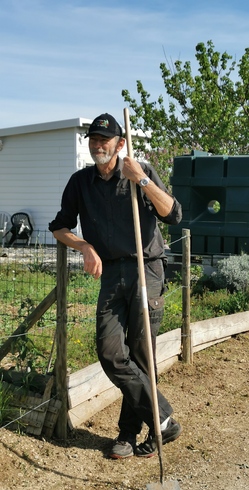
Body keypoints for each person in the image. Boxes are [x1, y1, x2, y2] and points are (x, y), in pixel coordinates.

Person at [49, 112, 183, 459]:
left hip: (146, 269)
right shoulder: (80, 182)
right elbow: (59, 227)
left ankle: (129, 434)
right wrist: (84, 246)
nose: (97, 146)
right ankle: (162, 419)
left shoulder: (139, 171)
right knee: (110, 352)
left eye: (104, 141)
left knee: (141, 355)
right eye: (93, 140)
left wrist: (141, 179)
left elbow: (173, 213)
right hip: (111, 273)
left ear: (120, 144)